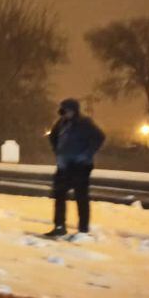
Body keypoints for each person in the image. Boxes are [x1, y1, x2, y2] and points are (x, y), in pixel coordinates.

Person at [44, 98, 104, 237]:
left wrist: (86, 154)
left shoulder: (84, 123)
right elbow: (52, 137)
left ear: (74, 110)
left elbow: (100, 137)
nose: (64, 113)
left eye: (66, 110)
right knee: (59, 195)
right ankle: (59, 226)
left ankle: (83, 229)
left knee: (81, 197)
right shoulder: (60, 123)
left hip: (81, 166)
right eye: (63, 110)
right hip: (64, 165)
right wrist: (58, 151)